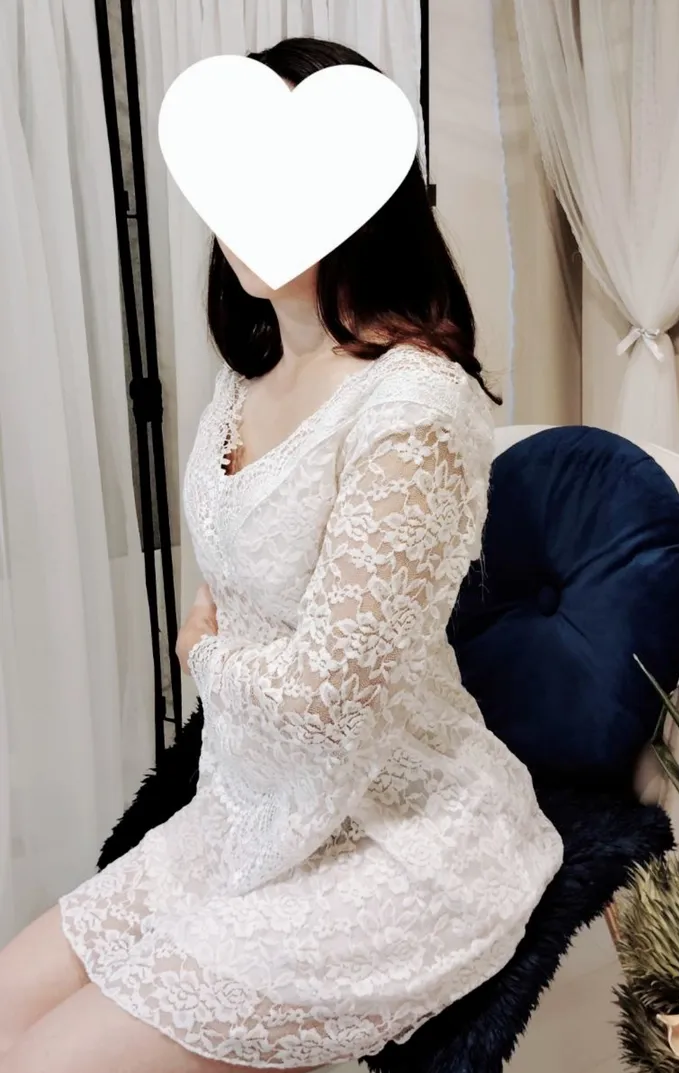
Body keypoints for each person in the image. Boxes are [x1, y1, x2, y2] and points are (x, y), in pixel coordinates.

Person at [0, 37, 563, 1073]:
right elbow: (245, 563)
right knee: (7, 1006)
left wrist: (205, 655)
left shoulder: (413, 408)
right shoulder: (248, 372)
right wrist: (226, 632)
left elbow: (327, 697)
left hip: (397, 833)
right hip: (250, 805)